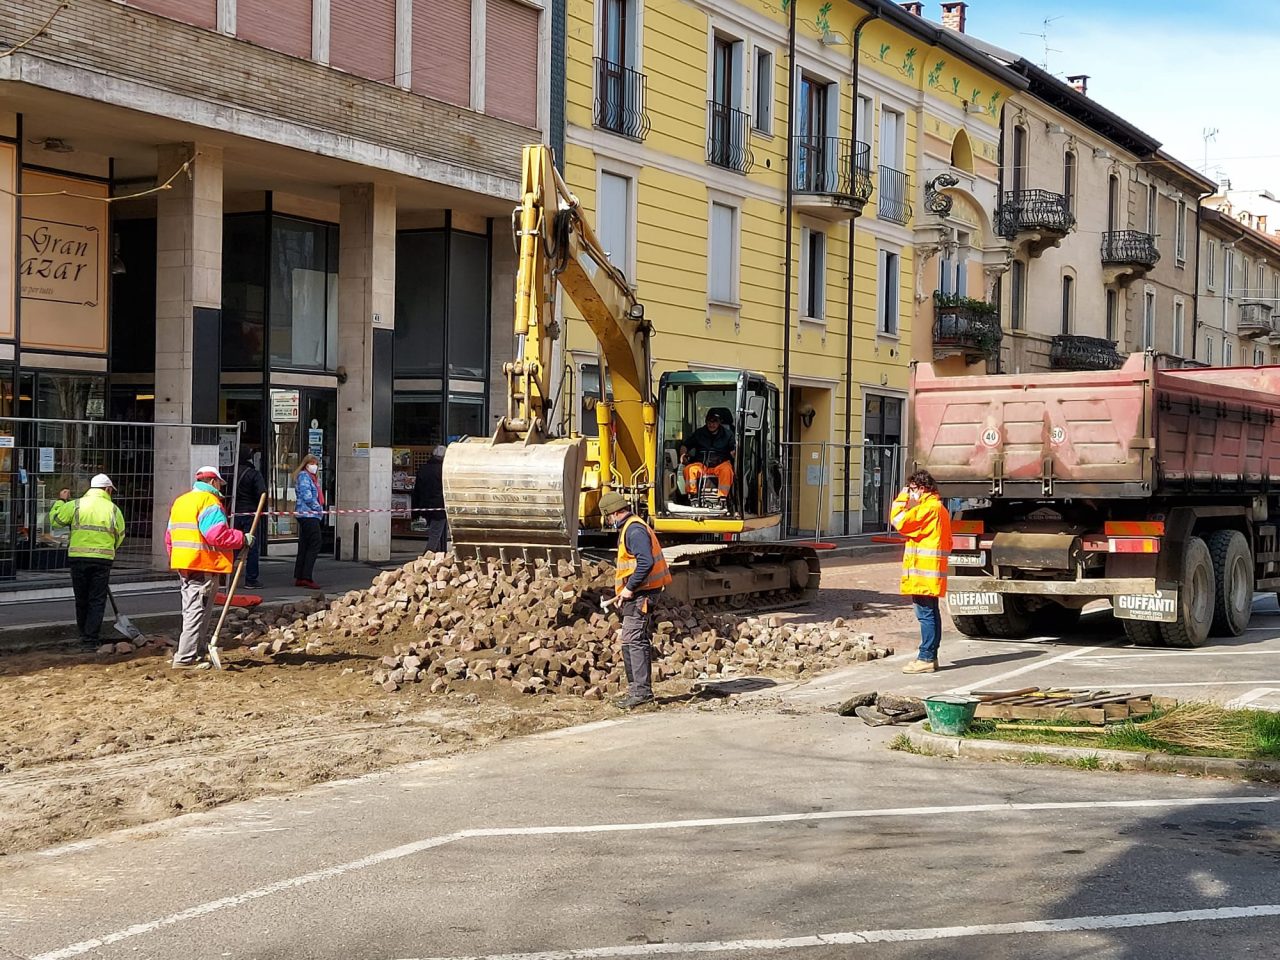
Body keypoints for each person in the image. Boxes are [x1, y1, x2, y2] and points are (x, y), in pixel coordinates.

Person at [165, 466, 247, 669]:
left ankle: (196, 651)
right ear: (212, 482)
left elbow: (169, 537)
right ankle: (185, 658)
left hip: (186, 564)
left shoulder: (181, 501)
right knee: (196, 611)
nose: (221, 487)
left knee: (193, 610)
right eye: (219, 483)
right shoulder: (209, 502)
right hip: (202, 564)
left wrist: (179, 559)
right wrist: (242, 538)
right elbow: (216, 535)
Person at [600, 491, 672, 709]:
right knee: (630, 639)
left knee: (634, 639)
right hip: (638, 593)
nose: (608, 520)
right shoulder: (630, 527)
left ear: (612, 513)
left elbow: (645, 562)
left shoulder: (634, 530)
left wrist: (629, 588)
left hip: (643, 593)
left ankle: (641, 693)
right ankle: (636, 690)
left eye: (608, 516)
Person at [49, 474, 126, 647]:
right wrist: (109, 549)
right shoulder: (113, 509)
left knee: (81, 598)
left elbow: (55, 521)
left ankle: (83, 634)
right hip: (102, 560)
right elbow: (120, 534)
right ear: (107, 489)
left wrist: (61, 501)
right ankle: (91, 639)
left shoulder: (75, 505)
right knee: (97, 600)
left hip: (78, 558)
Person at [890, 469, 952, 674]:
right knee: (930, 614)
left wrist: (902, 497)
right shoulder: (938, 508)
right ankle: (929, 656)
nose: (911, 493)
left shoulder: (928, 509)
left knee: (926, 615)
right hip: (929, 572)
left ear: (922, 488)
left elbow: (898, 520)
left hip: (923, 574)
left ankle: (926, 657)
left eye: (913, 489)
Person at [679, 410, 736, 500]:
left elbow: (733, 450)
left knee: (727, 470)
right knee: (689, 470)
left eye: (715, 421)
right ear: (706, 421)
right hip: (702, 465)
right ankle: (693, 496)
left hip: (720, 464)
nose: (711, 424)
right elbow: (685, 445)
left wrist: (734, 454)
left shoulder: (728, 435)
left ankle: (723, 497)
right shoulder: (699, 433)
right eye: (709, 421)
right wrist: (682, 455)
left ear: (720, 422)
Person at [233, 447, 267, 588]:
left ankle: (224, 574)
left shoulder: (232, 473)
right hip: (250, 513)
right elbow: (262, 493)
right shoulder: (254, 474)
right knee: (251, 546)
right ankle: (251, 579)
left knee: (232, 544)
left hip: (235, 513)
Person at [293, 454, 324, 589]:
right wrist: (319, 509)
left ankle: (300, 576)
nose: (315, 466)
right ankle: (306, 576)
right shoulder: (304, 477)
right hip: (308, 514)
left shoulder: (312, 478)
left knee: (305, 544)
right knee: (315, 543)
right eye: (312, 463)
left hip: (307, 514)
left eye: (316, 463)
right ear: (306, 464)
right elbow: (308, 497)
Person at [412, 445, 449, 554]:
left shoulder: (423, 469)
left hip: (425, 505)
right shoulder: (443, 470)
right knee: (436, 534)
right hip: (440, 507)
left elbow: (417, 490)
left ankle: (437, 557)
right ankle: (427, 556)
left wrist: (416, 510)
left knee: (435, 533)